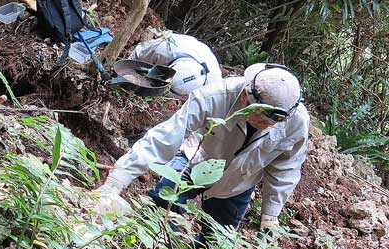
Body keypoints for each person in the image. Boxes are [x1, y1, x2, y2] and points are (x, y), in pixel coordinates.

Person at [95, 63, 309, 236]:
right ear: (245, 95)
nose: (264, 123)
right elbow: (164, 138)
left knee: (217, 242)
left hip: (238, 183)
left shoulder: (297, 123)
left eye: (273, 121)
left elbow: (286, 169)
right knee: (161, 206)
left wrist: (270, 216)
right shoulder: (214, 96)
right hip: (197, 158)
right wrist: (116, 181)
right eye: (259, 115)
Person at [130, 31, 223, 96]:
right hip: (180, 45)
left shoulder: (213, 86)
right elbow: (136, 54)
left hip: (201, 54)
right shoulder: (161, 50)